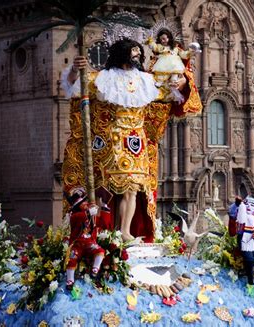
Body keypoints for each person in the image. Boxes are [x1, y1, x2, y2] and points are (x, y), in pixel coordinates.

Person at [61, 38, 202, 242]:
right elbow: (74, 86)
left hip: (136, 142)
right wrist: (75, 69)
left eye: (138, 52)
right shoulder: (102, 78)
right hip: (110, 142)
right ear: (121, 54)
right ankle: (104, 228)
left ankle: (125, 231)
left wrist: (182, 82)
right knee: (106, 189)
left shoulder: (146, 80)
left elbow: (171, 94)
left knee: (132, 188)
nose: (136, 56)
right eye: (132, 52)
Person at [65, 187, 106, 290]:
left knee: (100, 251)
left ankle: (95, 269)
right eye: (84, 203)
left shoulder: (88, 213)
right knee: (72, 258)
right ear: (77, 206)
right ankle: (70, 280)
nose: (86, 204)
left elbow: (99, 222)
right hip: (77, 244)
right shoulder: (74, 215)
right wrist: (88, 213)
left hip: (88, 243)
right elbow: (79, 217)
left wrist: (101, 208)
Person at [145, 29, 196, 103]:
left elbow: (183, 54)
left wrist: (191, 52)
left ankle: (174, 82)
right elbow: (154, 47)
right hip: (163, 63)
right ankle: (160, 82)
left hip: (175, 64)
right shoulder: (160, 47)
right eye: (161, 39)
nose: (163, 41)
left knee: (175, 73)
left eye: (165, 38)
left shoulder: (175, 48)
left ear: (169, 38)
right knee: (161, 73)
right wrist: (150, 40)